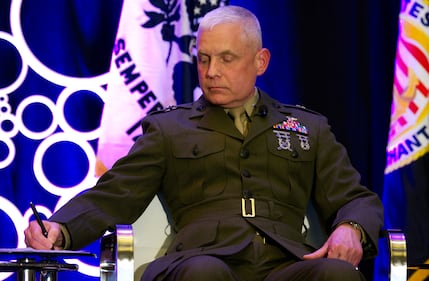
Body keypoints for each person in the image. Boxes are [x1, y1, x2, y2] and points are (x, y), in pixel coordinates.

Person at [24, 5, 383, 281]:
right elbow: (115, 194)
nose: (211, 72)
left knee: (337, 274)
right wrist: (62, 228)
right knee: (205, 274)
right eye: (204, 59)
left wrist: (351, 229)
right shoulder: (170, 128)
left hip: (284, 265)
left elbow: (356, 199)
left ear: (261, 61)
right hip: (199, 262)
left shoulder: (307, 127)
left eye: (227, 59)